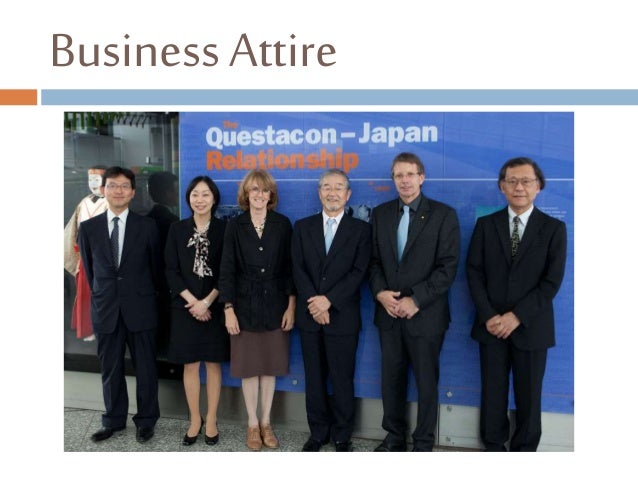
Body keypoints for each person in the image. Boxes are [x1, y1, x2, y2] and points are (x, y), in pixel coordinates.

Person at [466, 157, 567, 452]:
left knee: (529, 395)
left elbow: (551, 282)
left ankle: (525, 451)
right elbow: (474, 272)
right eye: (512, 181)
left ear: (538, 186)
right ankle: (494, 446)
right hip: (491, 326)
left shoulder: (553, 228)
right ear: (502, 186)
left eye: (526, 181)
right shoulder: (486, 225)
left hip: (531, 327)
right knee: (493, 392)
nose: (519, 187)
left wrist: (517, 316)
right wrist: (489, 315)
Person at [369, 152, 460, 452]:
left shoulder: (443, 215)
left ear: (422, 177)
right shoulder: (381, 214)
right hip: (389, 313)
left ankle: (423, 442)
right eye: (399, 175)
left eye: (410, 174)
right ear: (393, 179)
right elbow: (373, 261)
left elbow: (448, 267)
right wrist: (380, 293)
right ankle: (394, 436)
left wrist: (416, 300)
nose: (404, 180)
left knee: (426, 383)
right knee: (391, 380)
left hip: (425, 316)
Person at [78, 166, 161, 444]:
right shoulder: (88, 229)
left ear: (133, 192)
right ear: (103, 190)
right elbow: (91, 271)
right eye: (112, 185)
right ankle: (113, 420)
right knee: (110, 369)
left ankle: (146, 421)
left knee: (146, 369)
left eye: (125, 186)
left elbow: (156, 270)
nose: (118, 191)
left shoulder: (148, 227)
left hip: (141, 309)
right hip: (106, 310)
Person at [291, 169, 371, 452]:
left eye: (338, 187)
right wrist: (315, 303)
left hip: (342, 317)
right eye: (326, 187)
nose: (332, 192)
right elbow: (297, 269)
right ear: (319, 192)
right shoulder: (302, 227)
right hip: (310, 317)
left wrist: (329, 301)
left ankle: (341, 435)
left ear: (348, 195)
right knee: (313, 378)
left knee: (342, 379)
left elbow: (359, 272)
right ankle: (318, 433)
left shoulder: (361, 230)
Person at [218, 169, 295, 451]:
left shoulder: (282, 224)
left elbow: (289, 269)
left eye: (264, 190)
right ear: (246, 194)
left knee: (270, 367)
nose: (259, 195)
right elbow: (227, 269)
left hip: (275, 304)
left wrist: (291, 306)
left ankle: (266, 422)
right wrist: (228, 308)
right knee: (249, 368)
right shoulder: (234, 226)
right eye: (254, 190)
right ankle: (252, 423)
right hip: (244, 306)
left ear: (270, 195)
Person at [164, 176, 230, 446]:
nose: (200, 200)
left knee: (213, 364)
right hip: (185, 307)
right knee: (190, 365)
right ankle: (194, 419)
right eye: (195, 195)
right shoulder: (177, 229)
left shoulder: (225, 230)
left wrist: (207, 302)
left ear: (214, 199)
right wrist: (194, 302)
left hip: (214, 308)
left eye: (205, 194)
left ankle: (211, 418)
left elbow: (227, 271)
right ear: (188, 199)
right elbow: (171, 270)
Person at [64, 165, 108, 341]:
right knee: (85, 292)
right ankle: (88, 329)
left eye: (97, 179)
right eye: (91, 179)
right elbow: (73, 229)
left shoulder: (110, 202)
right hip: (84, 254)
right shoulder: (84, 202)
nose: (93, 183)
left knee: (102, 292)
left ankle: (102, 328)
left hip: (103, 255)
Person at [146, 171, 179, 358]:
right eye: (176, 190)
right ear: (167, 193)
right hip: (167, 286)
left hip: (151, 287)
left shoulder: (145, 220)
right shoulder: (171, 222)